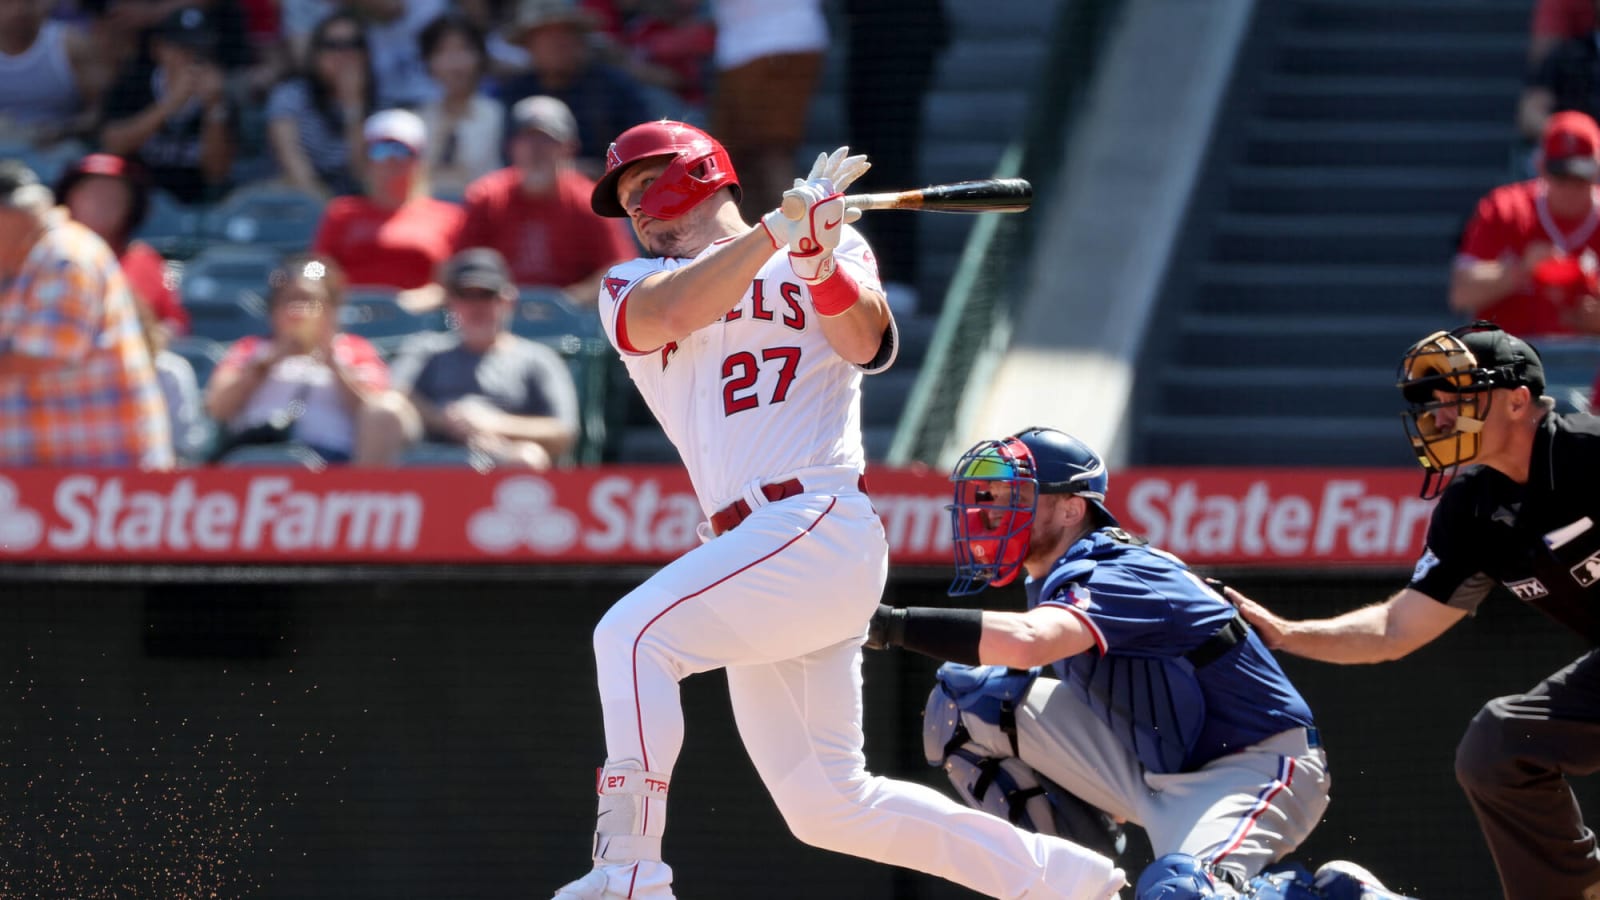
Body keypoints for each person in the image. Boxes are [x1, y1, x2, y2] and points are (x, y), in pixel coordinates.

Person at [552, 119, 1124, 900]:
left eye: (646, 186)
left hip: (814, 520)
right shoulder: (633, 284)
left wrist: (815, 257)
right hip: (755, 547)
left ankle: (628, 874)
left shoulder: (829, 248)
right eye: (626, 201)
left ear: (700, 173)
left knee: (631, 635)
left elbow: (863, 343)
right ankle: (1076, 885)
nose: (639, 213)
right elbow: (675, 312)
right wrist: (776, 233)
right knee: (829, 805)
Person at [863, 427, 1410, 899]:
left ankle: (1325, 893)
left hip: (1254, 768)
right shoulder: (1054, 573)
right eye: (992, 495)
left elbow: (1031, 642)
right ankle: (1081, 880)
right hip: (1149, 767)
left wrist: (887, 623)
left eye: (1014, 495)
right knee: (965, 708)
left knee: (1180, 893)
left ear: (1072, 507)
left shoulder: (1119, 567)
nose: (991, 508)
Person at [1227, 321, 1600, 900]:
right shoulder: (1472, 512)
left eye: (1460, 396)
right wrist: (1284, 633)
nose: (1441, 414)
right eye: (1434, 402)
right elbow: (1393, 628)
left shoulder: (1587, 451)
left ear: (1519, 399)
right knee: (1498, 746)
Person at [0, 159, 172, 468]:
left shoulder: (65, 255)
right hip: (46, 477)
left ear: (9, 216)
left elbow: (38, 358)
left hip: (106, 479)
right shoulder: (20, 260)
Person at [203, 253, 413, 466]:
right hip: (256, 456)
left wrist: (334, 365)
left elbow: (377, 416)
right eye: (290, 300)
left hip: (334, 464)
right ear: (274, 310)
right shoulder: (250, 348)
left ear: (331, 310)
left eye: (310, 301)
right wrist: (268, 362)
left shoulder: (356, 350)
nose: (299, 309)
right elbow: (218, 408)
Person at [384, 247, 578, 469]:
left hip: (502, 456)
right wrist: (446, 420)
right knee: (382, 413)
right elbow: (393, 391)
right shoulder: (426, 350)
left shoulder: (538, 358)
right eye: (466, 295)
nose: (476, 306)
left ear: (507, 300)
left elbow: (563, 432)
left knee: (527, 458)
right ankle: (366, 497)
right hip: (429, 457)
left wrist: (493, 424)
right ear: (451, 302)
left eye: (486, 294)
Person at [458, 95, 633, 300]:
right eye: (527, 139)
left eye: (547, 140)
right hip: (497, 310)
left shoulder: (590, 201)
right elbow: (461, 264)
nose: (536, 150)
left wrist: (571, 300)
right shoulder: (486, 197)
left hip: (572, 320)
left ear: (569, 148)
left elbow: (620, 267)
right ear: (511, 146)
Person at [1453, 110, 1600, 338]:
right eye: (1560, 177)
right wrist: (1519, 271)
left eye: (1580, 178)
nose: (1570, 188)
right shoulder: (1506, 209)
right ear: (1541, 167)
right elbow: (1460, 293)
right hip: (1510, 362)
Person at [310, 108, 466, 311]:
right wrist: (320, 290)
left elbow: (458, 283)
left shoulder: (450, 217)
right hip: (349, 317)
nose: (391, 159)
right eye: (381, 149)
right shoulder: (341, 212)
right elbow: (316, 268)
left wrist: (415, 302)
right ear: (368, 160)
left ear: (418, 160)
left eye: (402, 151)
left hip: (419, 324)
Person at [98, 5, 236, 205]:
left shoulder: (219, 94)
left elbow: (217, 173)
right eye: (181, 48)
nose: (190, 57)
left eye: (198, 49)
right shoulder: (134, 83)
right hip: (135, 199)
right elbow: (112, 145)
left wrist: (213, 109)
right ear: (158, 49)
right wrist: (169, 105)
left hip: (198, 205)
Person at [496, 0, 653, 174]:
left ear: (581, 40)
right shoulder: (512, 93)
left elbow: (642, 152)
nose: (558, 43)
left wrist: (600, 172)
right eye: (545, 35)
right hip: (529, 190)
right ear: (528, 45)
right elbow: (502, 157)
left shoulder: (616, 88)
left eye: (566, 32)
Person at [707, 0, 828, 215]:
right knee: (741, 161)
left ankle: (804, 236)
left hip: (764, 46)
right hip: (755, 46)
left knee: (771, 153)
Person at [55, 151, 188, 337]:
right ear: (69, 198)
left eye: (114, 194)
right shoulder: (43, 255)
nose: (103, 203)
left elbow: (175, 326)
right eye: (93, 192)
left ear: (131, 205)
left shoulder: (143, 259)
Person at [265, 8, 376, 199]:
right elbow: (297, 171)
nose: (344, 54)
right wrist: (331, 216)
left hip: (358, 204)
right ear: (315, 54)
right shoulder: (290, 96)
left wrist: (353, 107)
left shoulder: (381, 103)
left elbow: (362, 177)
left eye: (353, 44)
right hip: (305, 205)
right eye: (332, 45)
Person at [417, 11, 503, 199]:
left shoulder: (499, 116)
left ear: (480, 57)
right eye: (442, 51)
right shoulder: (418, 120)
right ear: (428, 62)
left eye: (464, 49)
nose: (455, 63)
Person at [0, 0, 106, 144]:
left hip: (59, 149)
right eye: (8, 3)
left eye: (27, 2)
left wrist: (63, 131)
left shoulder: (71, 45)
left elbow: (103, 110)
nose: (19, 10)